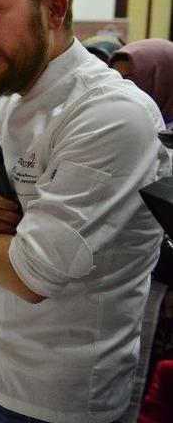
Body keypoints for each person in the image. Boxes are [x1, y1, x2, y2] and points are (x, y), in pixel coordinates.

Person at [0, 0, 169, 422]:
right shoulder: (11, 95)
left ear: (53, 8)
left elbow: (31, 275)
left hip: (52, 393)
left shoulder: (111, 115)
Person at [109, 37, 173, 422]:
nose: (122, 92)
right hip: (133, 289)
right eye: (115, 80)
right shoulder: (122, 136)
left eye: (132, 81)